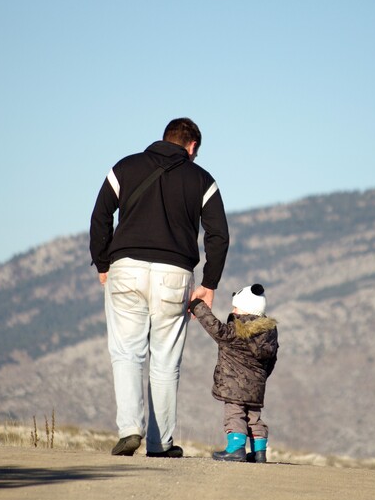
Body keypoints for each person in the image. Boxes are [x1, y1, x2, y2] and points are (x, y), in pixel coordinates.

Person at [89, 117, 230, 458]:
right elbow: (218, 236)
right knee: (165, 361)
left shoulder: (125, 167)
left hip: (126, 269)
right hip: (175, 275)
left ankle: (130, 429)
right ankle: (160, 443)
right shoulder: (202, 180)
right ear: (192, 146)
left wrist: (103, 262)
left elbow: (100, 216)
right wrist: (209, 284)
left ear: (165, 138)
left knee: (126, 353)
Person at [188, 283, 279, 463]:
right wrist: (260, 378)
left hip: (234, 386)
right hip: (256, 386)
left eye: (236, 307)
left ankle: (236, 449)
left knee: (234, 414)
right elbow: (272, 359)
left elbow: (215, 328)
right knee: (254, 416)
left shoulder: (235, 330)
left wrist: (197, 306)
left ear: (245, 310)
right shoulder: (269, 334)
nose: (233, 310)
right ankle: (259, 452)